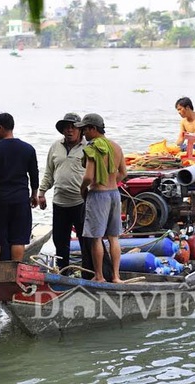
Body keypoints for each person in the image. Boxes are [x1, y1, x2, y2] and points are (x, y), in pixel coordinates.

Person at [0, 112, 39, 263]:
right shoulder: (28, 149)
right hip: (20, 199)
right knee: (18, 239)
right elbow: (34, 174)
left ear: (1, 128)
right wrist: (34, 194)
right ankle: (15, 273)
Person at [76, 113, 127, 283]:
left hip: (98, 195)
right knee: (114, 237)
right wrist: (111, 183)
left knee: (96, 237)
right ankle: (116, 276)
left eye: (85, 130)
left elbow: (89, 176)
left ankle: (99, 276)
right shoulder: (116, 147)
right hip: (114, 194)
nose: (83, 133)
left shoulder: (93, 147)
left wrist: (83, 189)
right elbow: (123, 174)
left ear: (93, 129)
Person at [38, 113, 87, 274]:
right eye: (66, 127)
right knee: (60, 241)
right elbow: (49, 173)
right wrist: (42, 192)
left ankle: (88, 273)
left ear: (80, 130)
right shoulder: (55, 146)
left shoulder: (88, 147)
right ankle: (63, 272)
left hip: (81, 201)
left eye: (73, 127)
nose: (69, 130)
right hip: (59, 202)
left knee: (85, 240)